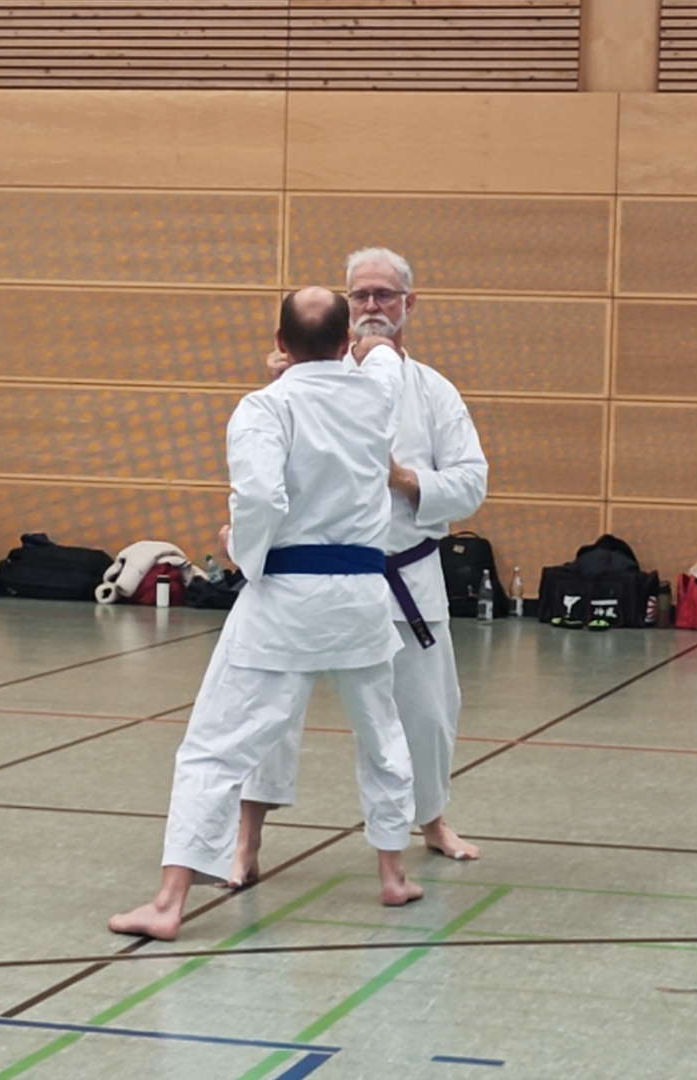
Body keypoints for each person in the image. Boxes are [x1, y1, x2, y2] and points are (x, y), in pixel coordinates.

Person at [109, 288, 420, 941]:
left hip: (285, 600)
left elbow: (259, 496)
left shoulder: (263, 407)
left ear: (278, 344)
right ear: (343, 346)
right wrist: (371, 340)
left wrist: (237, 552)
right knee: (382, 736)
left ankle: (168, 904)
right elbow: (385, 351)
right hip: (363, 598)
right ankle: (392, 875)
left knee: (213, 749)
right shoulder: (378, 393)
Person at [232, 247, 489, 886]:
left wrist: (408, 482)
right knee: (270, 713)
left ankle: (430, 821)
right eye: (361, 296)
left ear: (409, 304)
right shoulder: (308, 377)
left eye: (385, 295)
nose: (372, 306)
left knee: (426, 713)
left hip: (405, 574)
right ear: (346, 310)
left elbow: (472, 482)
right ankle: (246, 841)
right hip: (309, 578)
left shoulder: (433, 391)